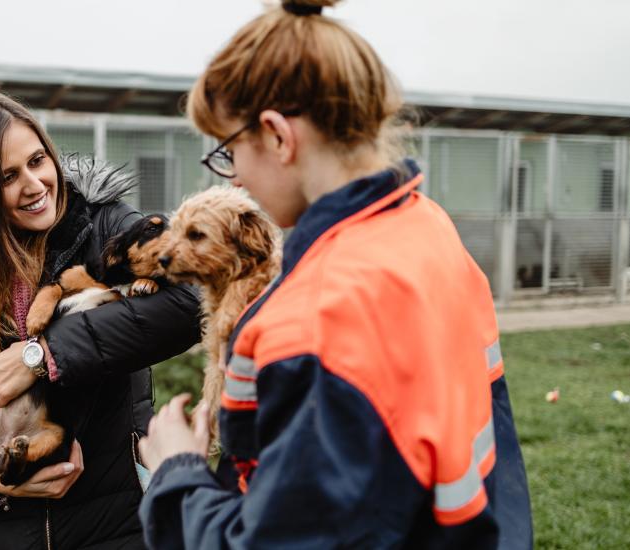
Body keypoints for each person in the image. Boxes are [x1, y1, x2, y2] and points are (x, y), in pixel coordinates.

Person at [137, 1, 534, 548]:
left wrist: (177, 470)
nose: (237, 176)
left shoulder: (319, 318)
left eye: (228, 152)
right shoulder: (430, 228)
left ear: (277, 136)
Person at [0, 89, 201, 549]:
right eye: (8, 177)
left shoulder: (104, 225)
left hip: (117, 522)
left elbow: (190, 303)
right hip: (6, 530)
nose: (35, 184)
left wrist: (44, 353)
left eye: (38, 161)